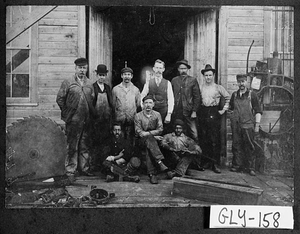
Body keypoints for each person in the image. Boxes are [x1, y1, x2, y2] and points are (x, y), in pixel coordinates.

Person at [56, 57, 95, 181]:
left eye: (84, 68)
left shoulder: (89, 83)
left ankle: (84, 168)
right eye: (80, 68)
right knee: (72, 145)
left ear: (86, 69)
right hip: (73, 120)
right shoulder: (68, 82)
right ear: (75, 68)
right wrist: (68, 113)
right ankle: (71, 170)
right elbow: (60, 99)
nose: (82, 70)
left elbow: (92, 99)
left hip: (86, 120)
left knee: (85, 145)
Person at [198, 64, 230, 173]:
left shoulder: (218, 87)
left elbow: (228, 97)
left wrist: (223, 110)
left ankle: (215, 163)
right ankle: (206, 161)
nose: (208, 77)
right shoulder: (200, 87)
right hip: (203, 112)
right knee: (204, 138)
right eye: (206, 75)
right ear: (203, 76)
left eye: (210, 75)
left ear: (213, 75)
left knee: (214, 139)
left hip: (213, 112)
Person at [229, 74, 263, 176]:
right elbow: (231, 109)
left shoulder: (252, 95)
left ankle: (251, 167)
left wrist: (257, 125)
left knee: (249, 146)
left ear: (247, 82)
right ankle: (236, 165)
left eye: (243, 81)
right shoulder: (234, 95)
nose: (241, 84)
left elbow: (258, 111)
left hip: (248, 125)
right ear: (237, 83)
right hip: (236, 125)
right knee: (236, 145)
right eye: (239, 82)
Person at [134, 95, 169, 184]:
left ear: (153, 104)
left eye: (150, 103)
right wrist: (152, 135)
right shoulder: (138, 116)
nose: (148, 105)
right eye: (146, 103)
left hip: (152, 141)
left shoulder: (157, 115)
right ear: (143, 104)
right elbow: (139, 132)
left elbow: (160, 129)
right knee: (148, 141)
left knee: (148, 147)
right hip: (140, 140)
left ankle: (151, 174)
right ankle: (159, 161)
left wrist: (149, 134)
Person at [90, 64, 113, 171]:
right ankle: (94, 166)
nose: (102, 77)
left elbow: (111, 104)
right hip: (95, 121)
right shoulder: (93, 87)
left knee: (105, 144)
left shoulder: (108, 88)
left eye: (103, 75)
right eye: (100, 75)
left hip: (106, 121)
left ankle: (104, 166)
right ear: (96, 75)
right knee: (95, 144)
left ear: (106, 76)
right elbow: (90, 105)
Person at [171, 59, 201, 142]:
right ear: (178, 69)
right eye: (181, 69)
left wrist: (194, 111)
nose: (183, 70)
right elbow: (170, 96)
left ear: (187, 69)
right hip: (177, 112)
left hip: (189, 111)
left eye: (184, 69)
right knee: (177, 132)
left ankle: (195, 152)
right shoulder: (174, 80)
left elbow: (197, 97)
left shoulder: (192, 80)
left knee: (194, 133)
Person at [140, 59, 174, 127]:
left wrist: (169, 114)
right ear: (154, 69)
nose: (158, 70)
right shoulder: (149, 82)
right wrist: (143, 108)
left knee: (162, 132)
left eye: (160, 68)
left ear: (163, 69)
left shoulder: (167, 83)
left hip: (163, 112)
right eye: (157, 68)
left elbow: (171, 99)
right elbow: (142, 95)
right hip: (151, 112)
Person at [112, 67, 141, 143]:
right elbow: (113, 104)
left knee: (130, 138)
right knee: (119, 138)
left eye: (129, 74)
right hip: (119, 119)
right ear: (121, 76)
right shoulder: (116, 89)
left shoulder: (136, 90)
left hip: (131, 119)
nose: (127, 76)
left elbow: (138, 105)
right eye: (125, 74)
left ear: (131, 76)